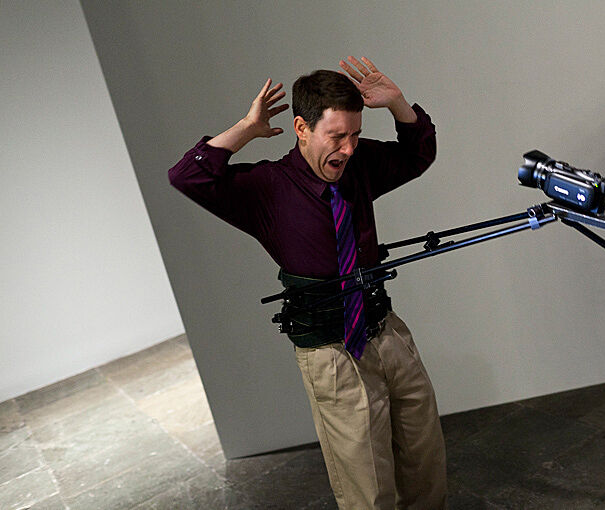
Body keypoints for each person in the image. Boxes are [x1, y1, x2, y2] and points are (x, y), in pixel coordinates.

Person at [168, 56, 447, 509]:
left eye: (355, 134)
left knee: (424, 460)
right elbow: (187, 176)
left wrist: (397, 103)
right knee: (368, 486)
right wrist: (245, 128)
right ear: (302, 128)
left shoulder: (360, 166)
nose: (350, 147)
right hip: (332, 352)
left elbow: (418, 153)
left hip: (386, 330)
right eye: (337, 136)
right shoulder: (268, 188)